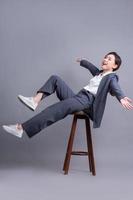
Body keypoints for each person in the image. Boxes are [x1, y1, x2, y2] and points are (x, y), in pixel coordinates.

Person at [2, 52, 133, 138]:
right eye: (105, 57)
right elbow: (92, 68)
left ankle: (21, 127)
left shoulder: (111, 77)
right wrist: (83, 61)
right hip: (78, 97)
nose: (105, 59)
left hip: (86, 102)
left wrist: (121, 97)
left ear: (115, 66)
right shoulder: (100, 74)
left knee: (56, 108)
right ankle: (35, 100)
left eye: (109, 59)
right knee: (55, 79)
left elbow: (115, 88)